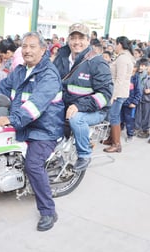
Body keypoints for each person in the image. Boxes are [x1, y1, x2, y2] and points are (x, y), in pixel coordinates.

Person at [0, 32, 64, 231]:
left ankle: (49, 211)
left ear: (43, 50)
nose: (27, 50)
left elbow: (35, 106)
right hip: (23, 123)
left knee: (33, 164)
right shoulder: (20, 70)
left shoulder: (49, 74)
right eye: (25, 46)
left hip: (44, 129)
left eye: (32, 46)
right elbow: (1, 88)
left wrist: (11, 120)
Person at [53, 23, 113, 170]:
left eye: (81, 38)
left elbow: (105, 95)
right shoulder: (61, 58)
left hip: (94, 110)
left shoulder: (97, 62)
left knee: (76, 118)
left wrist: (79, 106)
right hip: (66, 106)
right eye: (73, 38)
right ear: (68, 39)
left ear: (88, 41)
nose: (76, 42)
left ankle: (84, 154)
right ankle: (55, 154)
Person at [103, 36, 135, 153]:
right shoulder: (125, 57)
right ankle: (111, 138)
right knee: (114, 115)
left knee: (114, 116)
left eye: (116, 44)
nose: (115, 47)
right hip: (120, 91)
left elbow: (119, 79)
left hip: (118, 92)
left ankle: (116, 144)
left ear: (120, 45)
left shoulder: (122, 59)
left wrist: (113, 95)